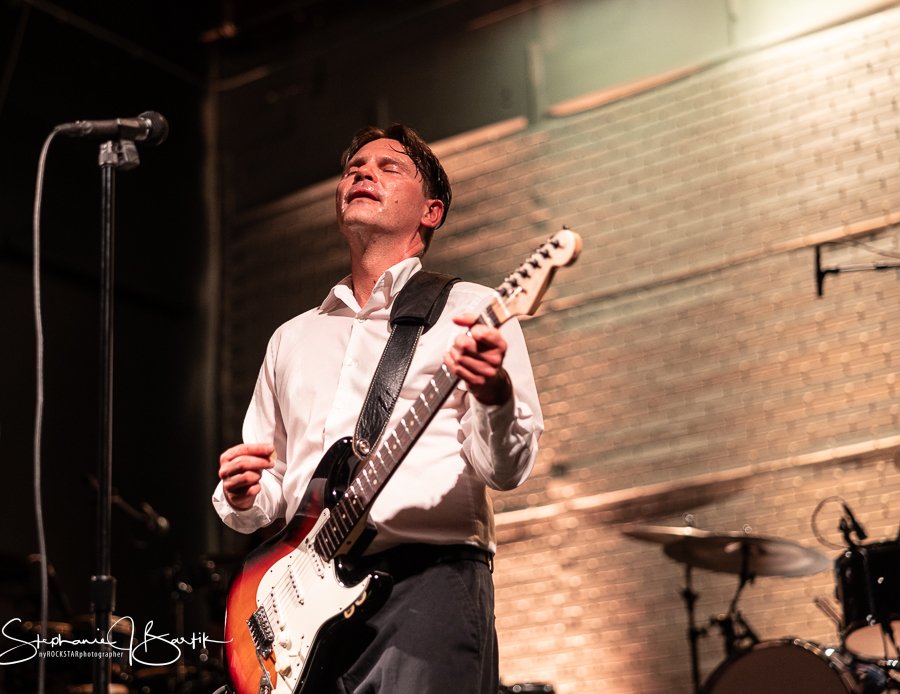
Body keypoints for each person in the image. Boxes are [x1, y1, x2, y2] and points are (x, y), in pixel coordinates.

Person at [212, 123, 543, 693]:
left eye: (390, 167)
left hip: (427, 586)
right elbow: (272, 488)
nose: (363, 173)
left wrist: (494, 395)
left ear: (431, 212)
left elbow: (505, 470)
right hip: (302, 616)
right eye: (354, 168)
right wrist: (244, 493)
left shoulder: (474, 311)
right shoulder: (292, 337)